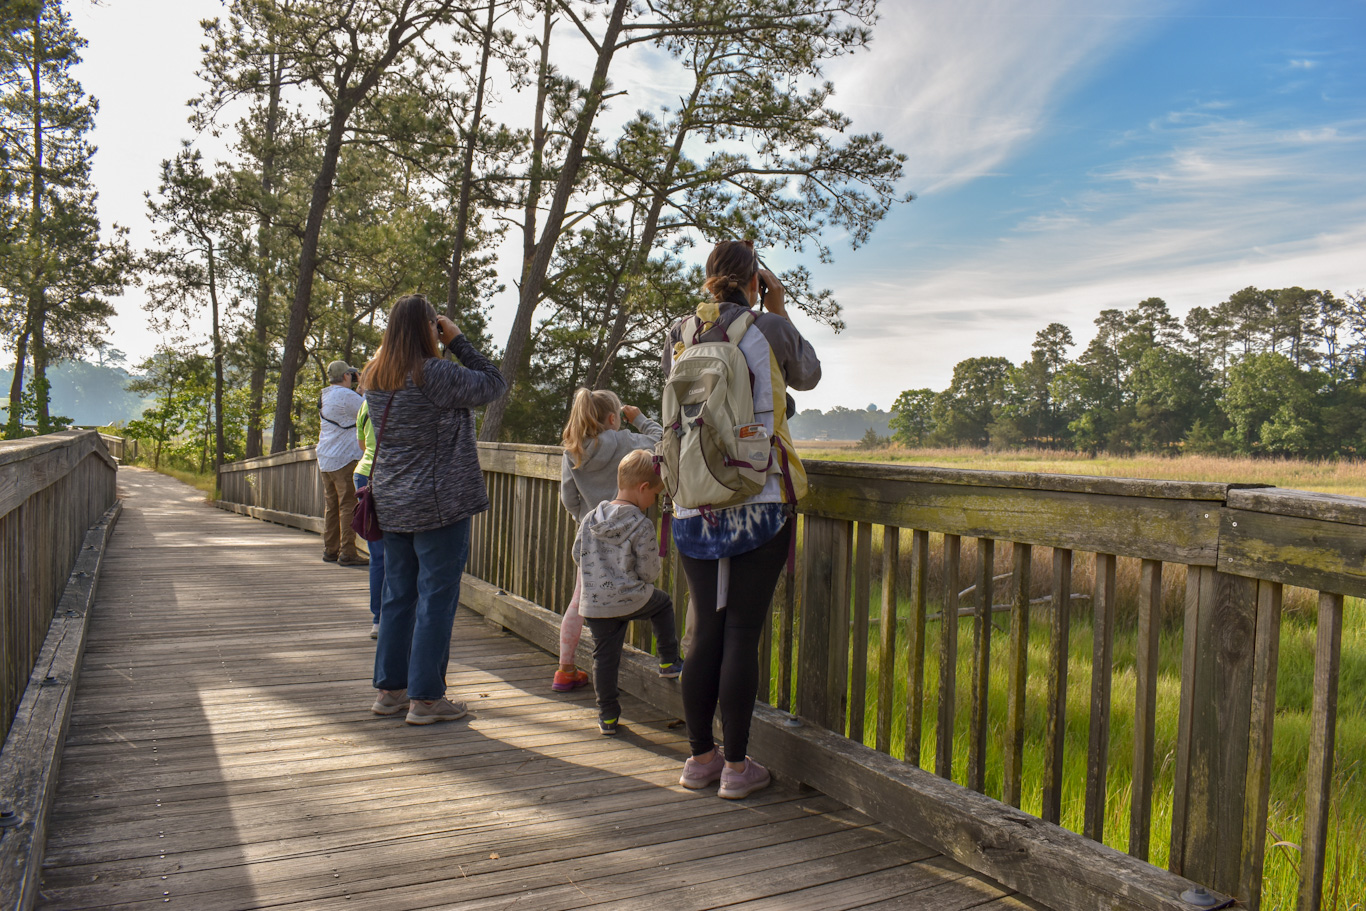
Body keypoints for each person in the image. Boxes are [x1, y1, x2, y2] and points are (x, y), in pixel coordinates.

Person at [665, 240, 820, 799]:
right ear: (755, 280)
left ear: (709, 279)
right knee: (742, 632)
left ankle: (699, 760)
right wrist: (777, 308)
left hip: (694, 499)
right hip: (760, 492)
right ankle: (736, 768)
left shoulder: (682, 333)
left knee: (705, 627)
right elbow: (809, 376)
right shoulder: (768, 328)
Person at [362, 294, 507, 725]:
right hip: (439, 503)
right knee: (437, 599)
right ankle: (426, 700)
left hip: (391, 500)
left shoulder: (374, 374)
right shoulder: (435, 373)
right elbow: (494, 383)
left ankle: (390, 692)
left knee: (397, 596)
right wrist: (459, 341)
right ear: (431, 329)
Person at [555, 388, 663, 692]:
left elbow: (568, 499)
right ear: (614, 418)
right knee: (636, 591)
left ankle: (565, 670)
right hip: (630, 533)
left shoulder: (571, 450)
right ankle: (659, 660)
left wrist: (588, 519)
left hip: (592, 537)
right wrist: (640, 418)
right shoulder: (626, 440)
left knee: (581, 600)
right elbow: (663, 442)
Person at [573, 449, 683, 735]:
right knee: (662, 604)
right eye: (655, 495)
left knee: (604, 659)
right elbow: (648, 572)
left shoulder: (590, 518)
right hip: (631, 598)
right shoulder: (640, 523)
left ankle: (607, 717)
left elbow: (577, 554)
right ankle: (669, 661)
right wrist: (642, 577)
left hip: (595, 603)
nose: (654, 501)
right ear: (643, 488)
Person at [317, 360, 368, 566]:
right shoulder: (347, 396)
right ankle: (347, 551)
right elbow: (368, 410)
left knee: (331, 506)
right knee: (348, 504)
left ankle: (330, 550)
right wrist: (365, 388)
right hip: (344, 458)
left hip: (326, 458)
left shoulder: (325, 394)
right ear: (346, 376)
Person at [354, 396, 384, 638]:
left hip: (365, 474)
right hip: (389, 476)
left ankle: (378, 620)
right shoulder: (410, 392)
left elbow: (363, 444)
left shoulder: (367, 400)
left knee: (378, 554)